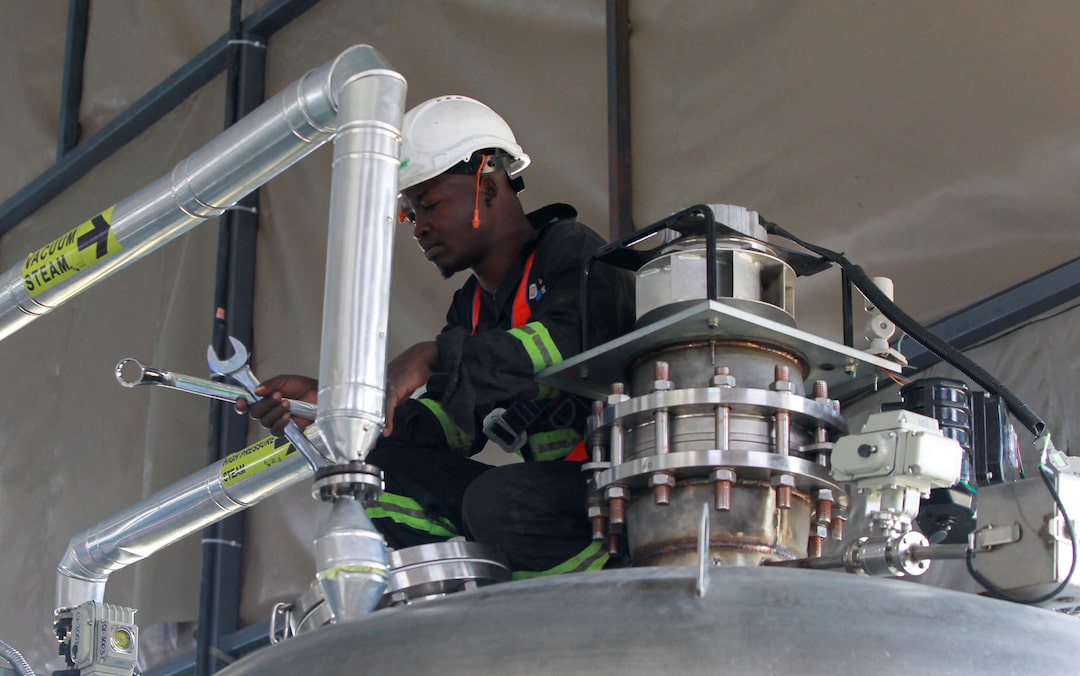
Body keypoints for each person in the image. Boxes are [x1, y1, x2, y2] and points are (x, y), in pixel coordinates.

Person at [241, 95, 635, 576]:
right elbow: (457, 422)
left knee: (498, 501)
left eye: (428, 205)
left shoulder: (571, 249)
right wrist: (344, 414)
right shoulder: (470, 305)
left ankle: (590, 580)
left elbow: (569, 344)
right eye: (410, 214)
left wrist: (434, 356)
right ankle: (473, 589)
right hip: (548, 505)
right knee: (374, 473)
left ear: (487, 187)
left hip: (617, 492)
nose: (419, 229)